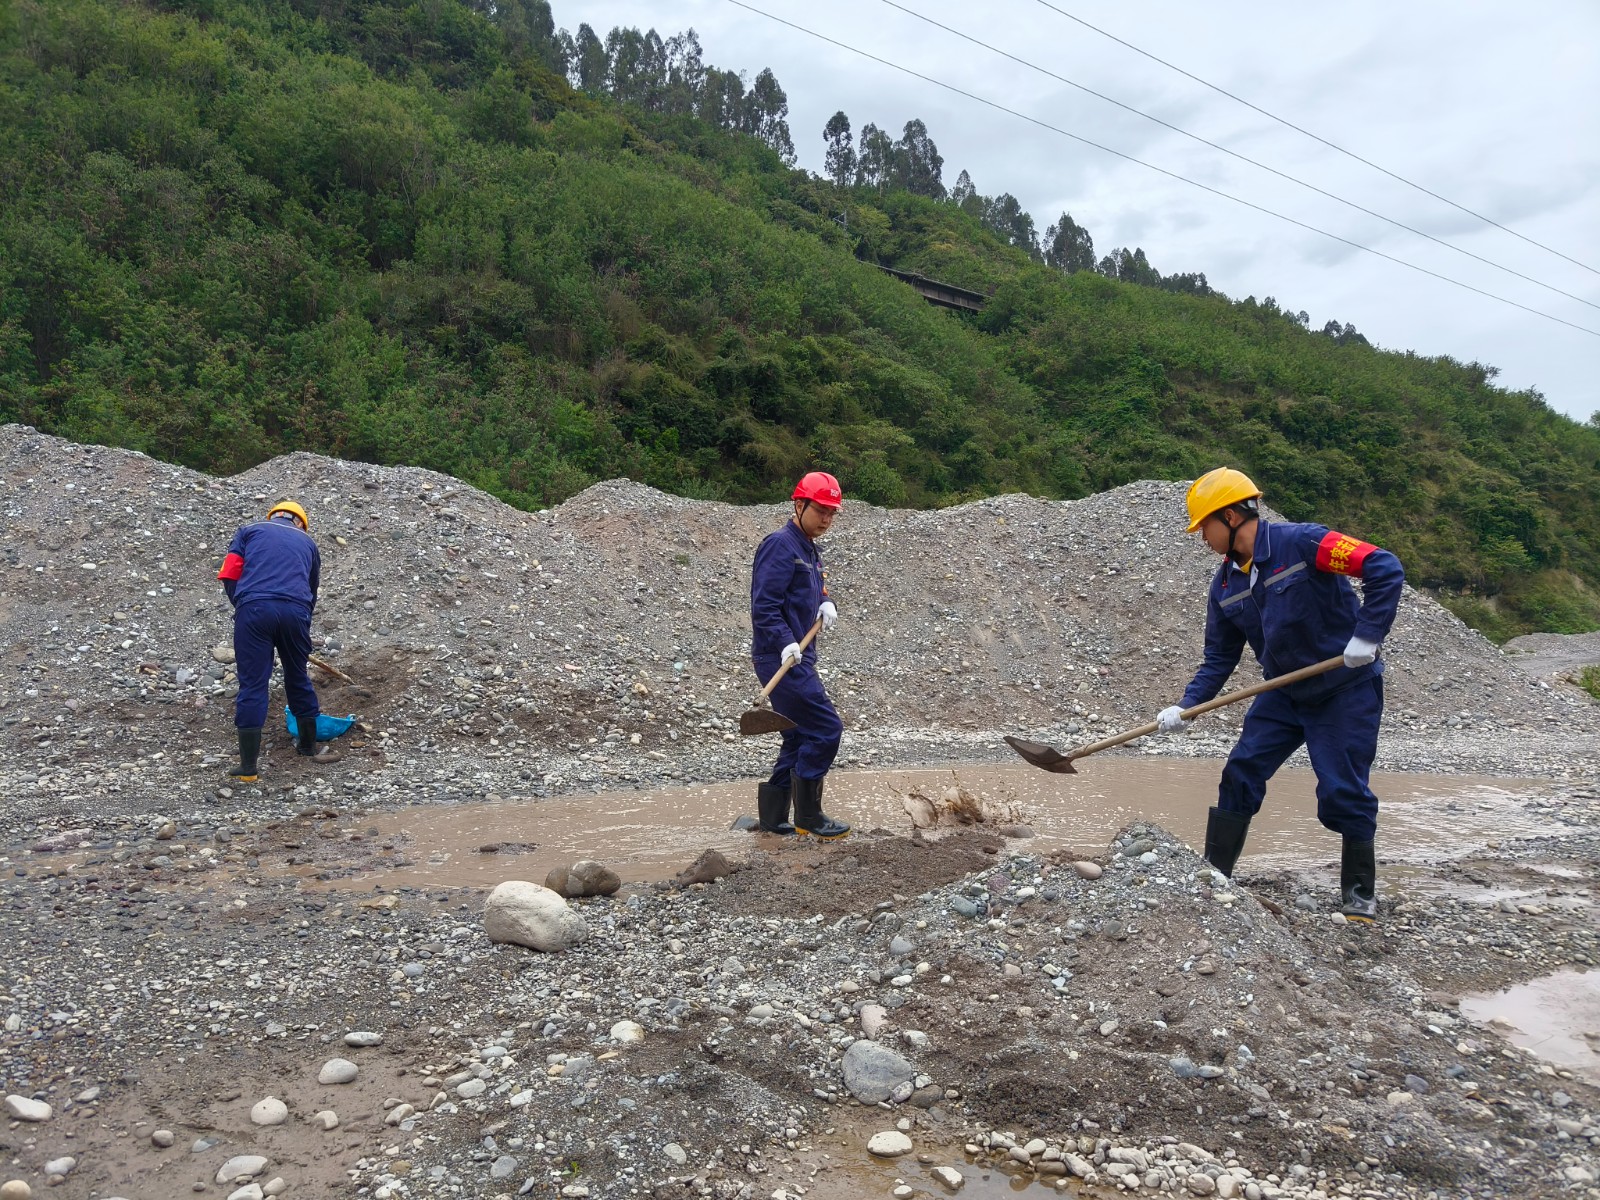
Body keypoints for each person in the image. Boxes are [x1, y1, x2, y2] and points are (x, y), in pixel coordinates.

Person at [1157, 468, 1404, 921]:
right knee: (1242, 770)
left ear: (1230, 516)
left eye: (1204, 526)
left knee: (1342, 790)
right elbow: (1219, 657)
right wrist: (1186, 706)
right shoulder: (1225, 585)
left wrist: (1367, 635)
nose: (1202, 537)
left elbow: (1383, 567)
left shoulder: (1305, 543)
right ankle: (1216, 874)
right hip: (1284, 691)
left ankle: (1359, 894)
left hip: (1344, 689)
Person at [748, 472, 851, 839]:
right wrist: (784, 642)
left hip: (797, 656)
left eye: (832, 512)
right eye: (821, 510)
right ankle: (809, 815)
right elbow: (764, 606)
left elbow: (812, 588)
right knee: (825, 729)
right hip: (782, 658)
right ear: (799, 504)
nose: (826, 518)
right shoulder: (779, 545)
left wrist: (825, 600)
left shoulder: (808, 547)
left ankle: (774, 819)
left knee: (797, 735)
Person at [217, 501, 336, 781]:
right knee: (297, 675)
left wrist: (243, 604)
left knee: (253, 684)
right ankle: (307, 746)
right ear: (300, 523)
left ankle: (248, 768)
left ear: (273, 516)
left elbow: (229, 573)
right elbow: (311, 589)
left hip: (254, 610)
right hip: (296, 612)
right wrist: (300, 621)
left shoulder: (249, 530)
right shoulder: (308, 543)